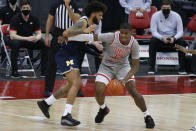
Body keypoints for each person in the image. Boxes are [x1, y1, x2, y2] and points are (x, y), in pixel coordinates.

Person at [69, 23, 155, 128]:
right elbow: (92, 37)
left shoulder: (134, 44)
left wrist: (124, 80)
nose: (123, 35)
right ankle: (103, 108)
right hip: (106, 66)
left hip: (123, 68)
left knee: (133, 91)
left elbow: (135, 66)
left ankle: (147, 116)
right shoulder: (112, 36)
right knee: (98, 90)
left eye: (126, 33)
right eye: (122, 33)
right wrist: (69, 36)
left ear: (131, 33)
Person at [37, 1, 107, 126]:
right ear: (94, 13)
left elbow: (82, 44)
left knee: (70, 85)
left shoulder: (88, 25)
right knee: (77, 82)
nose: (101, 18)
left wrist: (97, 53)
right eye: (100, 15)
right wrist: (86, 32)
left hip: (70, 55)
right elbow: (66, 33)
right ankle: (66, 116)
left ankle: (46, 103)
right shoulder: (84, 22)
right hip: (64, 54)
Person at [43, 0, 81, 97]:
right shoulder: (55, 4)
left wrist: (68, 6)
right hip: (58, 36)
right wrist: (47, 35)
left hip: (72, 37)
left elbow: (76, 20)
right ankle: (48, 89)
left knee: (74, 64)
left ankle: (76, 88)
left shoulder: (77, 5)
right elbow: (50, 19)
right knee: (52, 63)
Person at [9, 0, 47, 77]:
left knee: (44, 43)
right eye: (24, 8)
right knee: (15, 44)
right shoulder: (15, 19)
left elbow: (39, 33)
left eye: (27, 8)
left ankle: (44, 71)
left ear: (31, 9)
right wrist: (27, 38)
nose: (26, 9)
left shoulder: (34, 19)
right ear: (20, 9)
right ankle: (14, 71)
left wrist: (37, 38)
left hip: (29, 40)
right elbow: (12, 36)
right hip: (18, 40)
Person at [148, 0, 187, 75]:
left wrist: (174, 38)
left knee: (181, 41)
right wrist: (162, 38)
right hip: (160, 39)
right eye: (164, 8)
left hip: (173, 39)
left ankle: (182, 68)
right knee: (153, 41)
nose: (166, 9)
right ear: (161, 7)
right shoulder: (155, 16)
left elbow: (180, 32)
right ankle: (151, 67)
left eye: (168, 8)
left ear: (171, 8)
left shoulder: (176, 16)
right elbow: (154, 32)